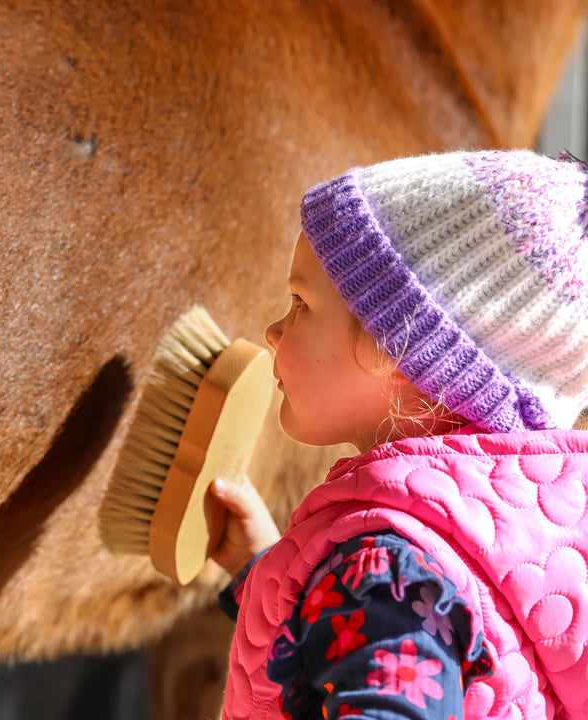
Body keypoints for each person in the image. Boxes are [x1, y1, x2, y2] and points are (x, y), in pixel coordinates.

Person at [208, 149, 588, 720]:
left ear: (396, 342)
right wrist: (269, 569)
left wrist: (348, 579)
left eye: (300, 303)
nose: (273, 330)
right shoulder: (499, 546)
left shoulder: (387, 579)